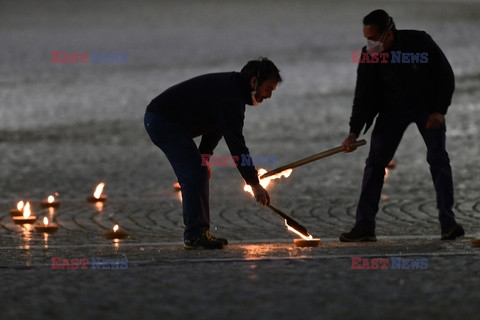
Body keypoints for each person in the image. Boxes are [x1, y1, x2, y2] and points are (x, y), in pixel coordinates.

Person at [340, 9, 464, 242]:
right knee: (375, 163)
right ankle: (364, 226)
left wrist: (440, 111)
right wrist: (353, 131)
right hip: (391, 110)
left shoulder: (420, 42)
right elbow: (363, 96)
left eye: (374, 38)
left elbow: (445, 75)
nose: (371, 43)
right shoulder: (369, 57)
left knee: (438, 158)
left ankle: (449, 223)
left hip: (426, 107)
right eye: (367, 38)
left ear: (389, 32)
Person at [144, 57, 282, 249]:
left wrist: (205, 157)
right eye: (268, 89)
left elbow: (217, 127)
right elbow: (237, 145)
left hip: (167, 122)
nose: (268, 96)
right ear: (254, 82)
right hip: (162, 121)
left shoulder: (232, 92)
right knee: (194, 173)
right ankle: (195, 235)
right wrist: (254, 183)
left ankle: (200, 233)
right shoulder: (231, 97)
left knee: (199, 169)